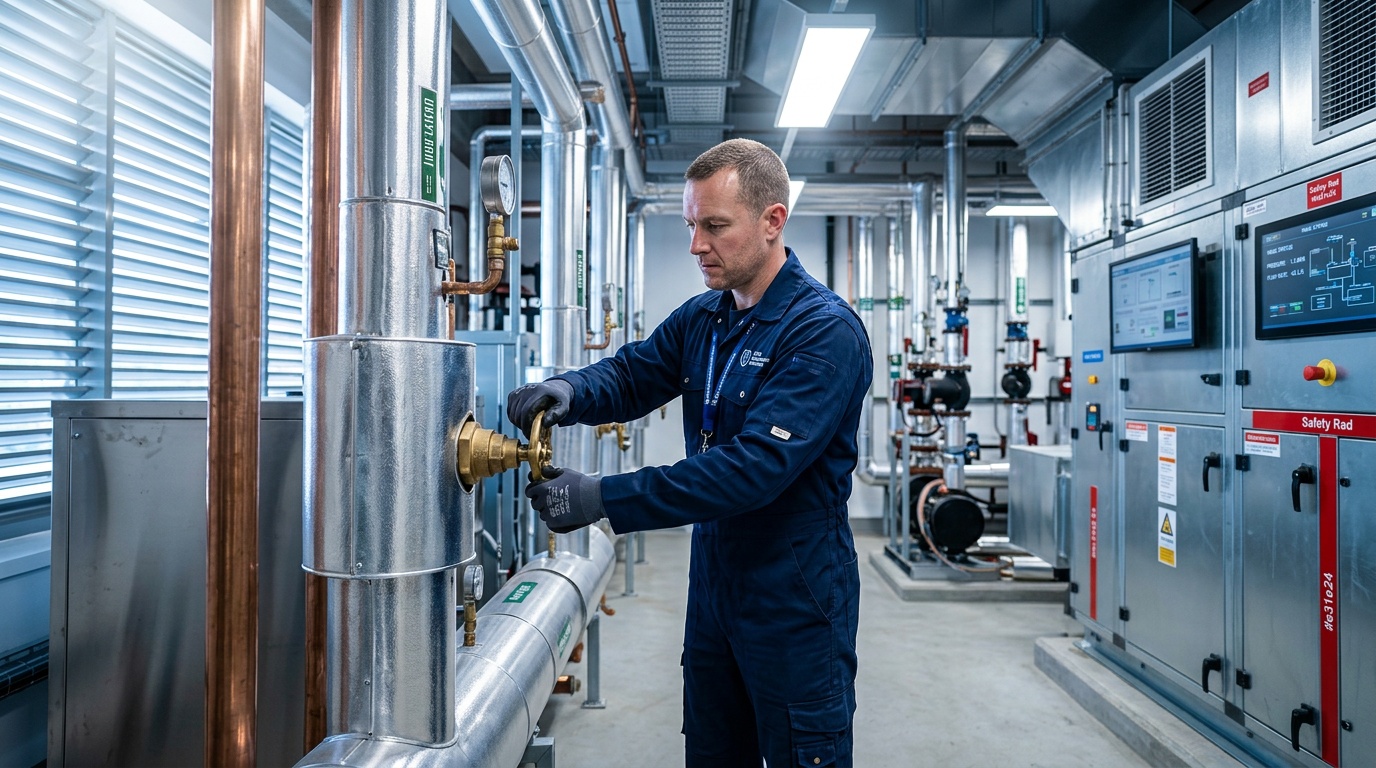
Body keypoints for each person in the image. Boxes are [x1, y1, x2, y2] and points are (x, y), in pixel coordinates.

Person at [507, 138, 872, 767]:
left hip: (796, 594)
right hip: (714, 585)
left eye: (715, 226)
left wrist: (603, 497)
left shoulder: (822, 332)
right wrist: (568, 389)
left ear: (773, 221)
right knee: (712, 750)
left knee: (801, 751)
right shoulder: (705, 317)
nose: (697, 245)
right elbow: (634, 374)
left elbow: (752, 470)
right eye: (690, 226)